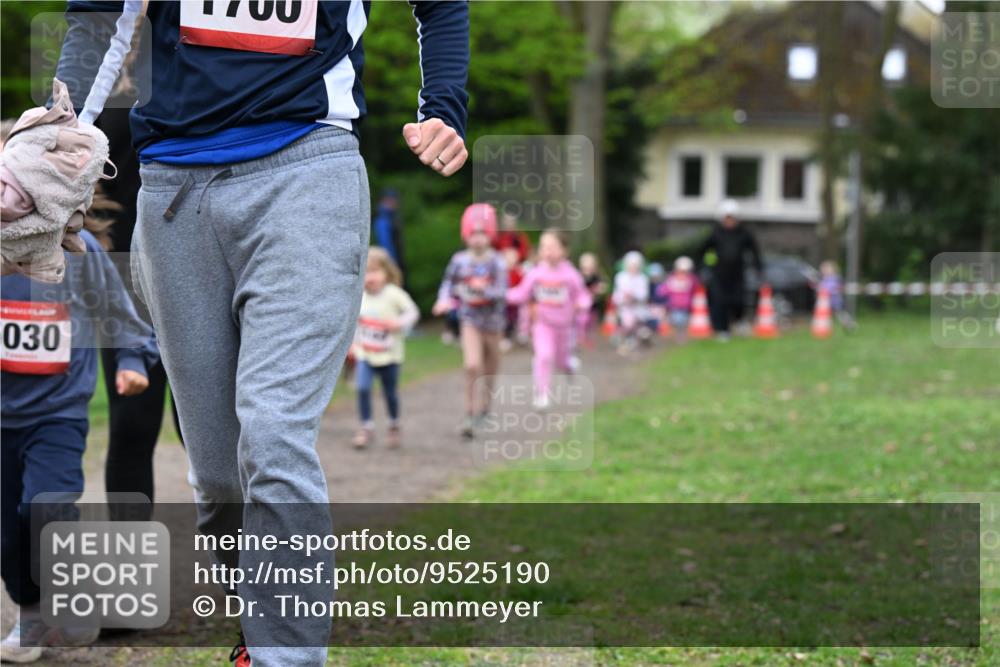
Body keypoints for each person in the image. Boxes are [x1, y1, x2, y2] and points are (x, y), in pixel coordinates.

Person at [53, 3, 470, 665]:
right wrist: (55, 134)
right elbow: (101, 17)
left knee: (274, 431)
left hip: (308, 169)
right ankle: (263, 621)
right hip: (172, 190)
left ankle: (284, 655)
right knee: (219, 475)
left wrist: (442, 105)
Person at [0, 229, 158, 664]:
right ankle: (32, 614)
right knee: (6, 534)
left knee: (45, 507)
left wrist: (130, 361)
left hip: (58, 413)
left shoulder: (77, 248)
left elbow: (118, 312)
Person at [432, 203, 508, 439]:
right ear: (465, 234)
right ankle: (469, 413)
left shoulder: (497, 262)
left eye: (482, 232)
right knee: (472, 365)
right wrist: (444, 300)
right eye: (473, 233)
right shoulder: (459, 261)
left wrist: (482, 291)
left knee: (490, 370)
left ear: (491, 234)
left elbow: (501, 292)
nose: (477, 238)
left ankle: (485, 409)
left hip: (493, 323)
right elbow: (448, 284)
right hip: (470, 320)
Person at [506, 229, 591, 409]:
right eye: (544, 247)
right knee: (544, 356)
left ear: (564, 250)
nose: (547, 251)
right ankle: (542, 394)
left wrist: (583, 304)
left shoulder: (571, 274)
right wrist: (502, 295)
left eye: (552, 247)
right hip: (543, 324)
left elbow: (582, 295)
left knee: (561, 360)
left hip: (565, 327)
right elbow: (522, 293)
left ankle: (568, 367)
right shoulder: (536, 273)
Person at [351, 247, 419, 449]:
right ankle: (366, 427)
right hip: (365, 354)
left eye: (375, 271)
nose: (370, 277)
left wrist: (399, 323)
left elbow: (413, 312)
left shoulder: (393, 294)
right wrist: (352, 345)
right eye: (366, 272)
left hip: (390, 356)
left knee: (390, 393)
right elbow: (353, 324)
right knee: (362, 388)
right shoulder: (359, 296)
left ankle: (393, 425)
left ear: (386, 272)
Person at [696, 199, 763, 340]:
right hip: (719, 275)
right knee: (720, 302)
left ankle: (739, 322)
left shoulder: (744, 234)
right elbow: (702, 252)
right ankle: (722, 329)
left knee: (739, 300)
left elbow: (754, 252)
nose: (729, 221)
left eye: (732, 218)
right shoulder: (715, 234)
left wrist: (758, 268)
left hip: (738, 274)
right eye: (727, 218)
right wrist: (703, 268)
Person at [612, 251, 651, 353]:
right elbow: (617, 294)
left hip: (638, 307)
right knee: (628, 323)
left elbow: (644, 294)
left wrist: (634, 296)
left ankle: (638, 338)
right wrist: (623, 298)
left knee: (640, 327)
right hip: (625, 307)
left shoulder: (642, 278)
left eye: (635, 265)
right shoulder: (620, 277)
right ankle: (625, 339)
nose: (633, 268)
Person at [656, 256, 700, 342]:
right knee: (677, 321)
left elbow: (696, 286)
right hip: (674, 306)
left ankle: (682, 337)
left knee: (683, 322)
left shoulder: (690, 280)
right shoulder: (671, 280)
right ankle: (677, 337)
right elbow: (663, 290)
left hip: (686, 307)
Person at [372, 188, 406, 281]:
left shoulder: (391, 216)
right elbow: (385, 242)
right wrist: (391, 263)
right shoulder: (383, 218)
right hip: (390, 261)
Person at [577, 252, 607, 347]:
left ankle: (590, 338)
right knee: (582, 320)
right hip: (582, 305)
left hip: (594, 304)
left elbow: (603, 286)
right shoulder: (579, 276)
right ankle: (581, 336)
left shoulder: (597, 276)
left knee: (592, 322)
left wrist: (599, 289)